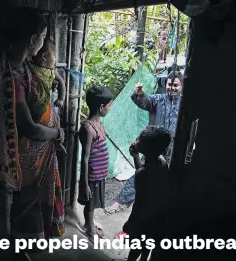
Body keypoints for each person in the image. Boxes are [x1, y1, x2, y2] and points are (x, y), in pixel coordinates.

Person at [0, 6, 65, 243]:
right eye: (43, 38)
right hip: (26, 153)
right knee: (28, 202)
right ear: (33, 39)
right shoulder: (10, 76)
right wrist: (57, 133)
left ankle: (34, 239)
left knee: (33, 200)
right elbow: (28, 127)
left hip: (38, 148)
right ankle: (27, 241)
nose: (44, 44)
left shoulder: (21, 66)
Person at [105, 71, 183, 214]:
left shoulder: (184, 104)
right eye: (169, 84)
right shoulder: (158, 99)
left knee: (169, 176)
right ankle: (119, 202)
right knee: (142, 173)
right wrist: (139, 94)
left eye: (176, 85)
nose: (172, 88)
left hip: (174, 148)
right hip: (155, 147)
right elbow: (144, 101)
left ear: (181, 86)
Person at [123, 126, 171, 261]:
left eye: (139, 140)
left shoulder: (142, 174)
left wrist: (131, 223)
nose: (136, 140)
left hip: (143, 218)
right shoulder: (162, 162)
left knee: (135, 249)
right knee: (147, 247)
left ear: (146, 148)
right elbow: (145, 170)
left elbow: (139, 201)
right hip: (157, 218)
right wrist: (136, 157)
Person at [78, 85, 114, 242]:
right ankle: (90, 230)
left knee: (93, 202)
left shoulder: (99, 123)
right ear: (101, 107)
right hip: (92, 175)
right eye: (109, 106)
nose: (110, 108)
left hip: (100, 173)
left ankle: (89, 225)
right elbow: (85, 158)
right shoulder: (88, 128)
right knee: (90, 203)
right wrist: (85, 184)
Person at [31, 38, 66, 109]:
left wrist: (61, 98)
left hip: (45, 105)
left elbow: (61, 82)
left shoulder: (52, 71)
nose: (55, 60)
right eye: (54, 56)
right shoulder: (31, 67)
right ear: (44, 56)